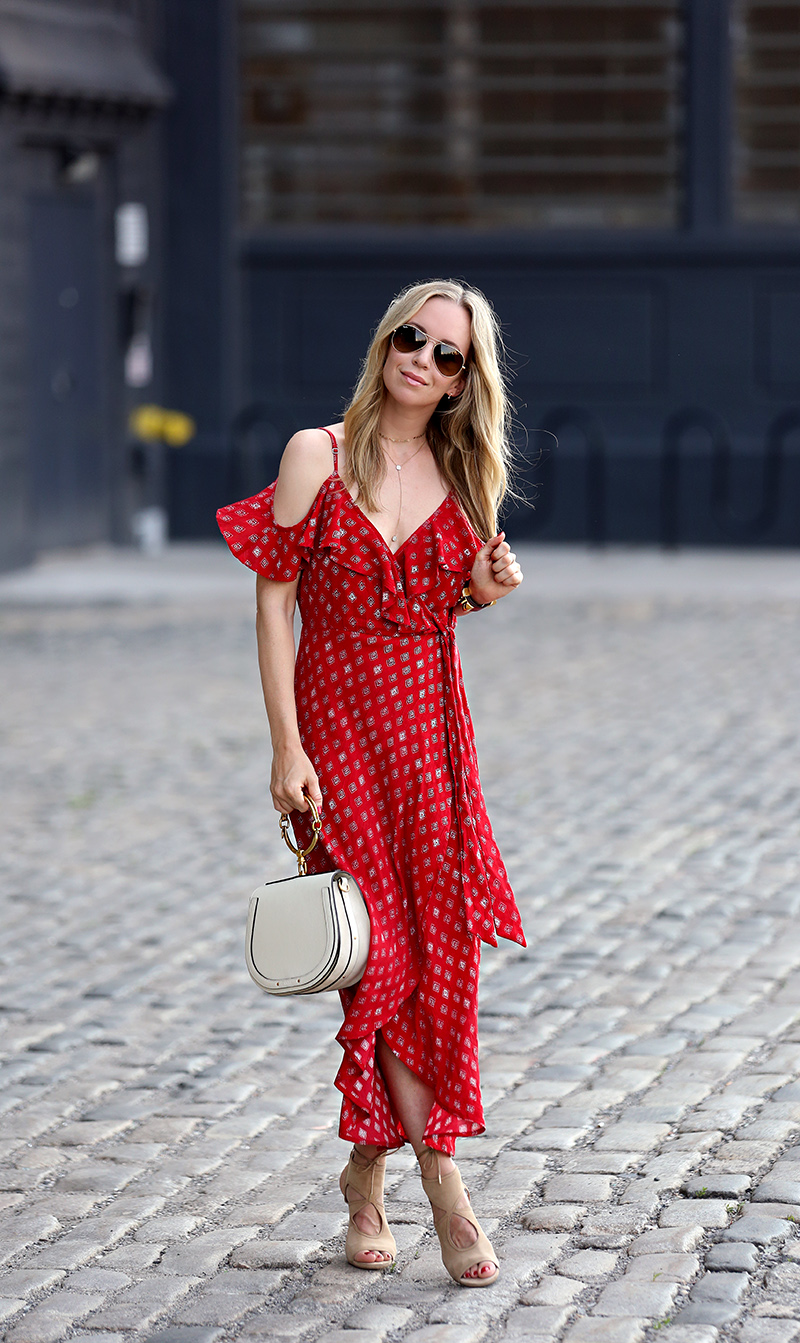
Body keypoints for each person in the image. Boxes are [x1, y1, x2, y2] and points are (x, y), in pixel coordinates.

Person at [217, 278, 525, 1288]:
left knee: (437, 959)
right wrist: (285, 746)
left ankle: (362, 1176)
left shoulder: (465, 470)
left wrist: (480, 591)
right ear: (383, 340)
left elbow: (439, 607)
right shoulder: (315, 453)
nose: (423, 361)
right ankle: (445, 1186)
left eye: (448, 355)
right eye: (412, 338)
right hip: (340, 733)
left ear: (462, 381)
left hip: (432, 741)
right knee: (380, 950)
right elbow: (274, 606)